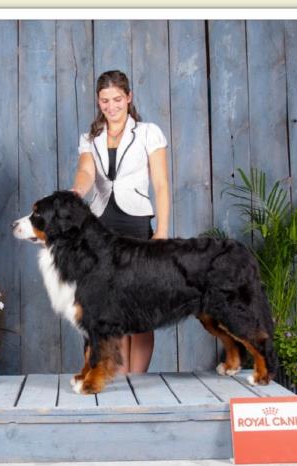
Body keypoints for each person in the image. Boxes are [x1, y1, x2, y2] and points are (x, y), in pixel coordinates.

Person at [71, 70, 170, 374]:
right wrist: (76, 191)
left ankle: (135, 379)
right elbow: (87, 173)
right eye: (104, 100)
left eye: (117, 99)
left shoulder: (148, 132)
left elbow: (161, 184)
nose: (111, 106)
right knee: (106, 307)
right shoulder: (91, 138)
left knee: (139, 306)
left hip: (137, 224)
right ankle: (117, 375)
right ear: (98, 102)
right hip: (101, 228)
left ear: (128, 98)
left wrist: (162, 232)